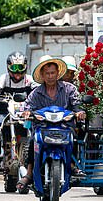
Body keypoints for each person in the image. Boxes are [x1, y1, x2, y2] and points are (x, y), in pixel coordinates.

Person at [17, 55, 87, 190]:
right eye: (47, 73)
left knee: (74, 140)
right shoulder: (36, 93)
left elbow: (77, 104)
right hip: (42, 128)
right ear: (42, 75)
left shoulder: (69, 89)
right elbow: (27, 105)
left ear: (57, 73)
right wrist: (26, 112)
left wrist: (79, 112)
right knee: (33, 141)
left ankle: (73, 166)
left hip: (64, 127)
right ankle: (30, 173)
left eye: (52, 73)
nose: (50, 76)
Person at [0, 51, 39, 170]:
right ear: (9, 67)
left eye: (20, 67)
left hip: (25, 114)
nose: (17, 72)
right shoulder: (4, 79)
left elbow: (38, 91)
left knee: (38, 131)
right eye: (14, 67)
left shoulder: (29, 80)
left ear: (25, 67)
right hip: (6, 113)